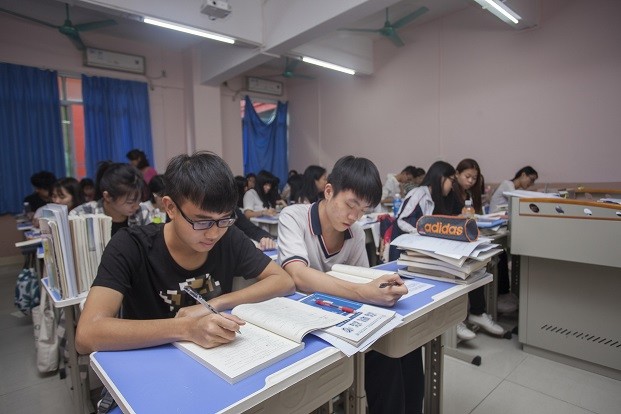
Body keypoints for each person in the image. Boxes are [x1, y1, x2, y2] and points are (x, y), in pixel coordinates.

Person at [75, 151, 295, 356]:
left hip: (216, 359)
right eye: (202, 221)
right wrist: (186, 329)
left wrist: (216, 304)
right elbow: (86, 334)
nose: (214, 233)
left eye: (224, 219)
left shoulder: (228, 237)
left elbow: (283, 281)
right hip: (151, 360)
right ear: (170, 207)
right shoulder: (131, 245)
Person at [278, 155, 415, 414]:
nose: (354, 216)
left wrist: (380, 287)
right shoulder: (293, 217)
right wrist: (363, 291)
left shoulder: (355, 232)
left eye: (363, 210)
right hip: (300, 325)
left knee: (399, 349)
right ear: (329, 191)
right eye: (350, 205)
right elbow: (298, 275)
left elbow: (362, 278)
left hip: (340, 318)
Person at [449, 159, 504, 340]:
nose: (471, 180)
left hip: (466, 240)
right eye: (467, 176)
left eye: (474, 178)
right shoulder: (451, 192)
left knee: (480, 265)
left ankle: (477, 313)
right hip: (451, 243)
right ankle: (458, 319)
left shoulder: (469, 194)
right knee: (467, 268)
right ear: (457, 174)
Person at [70, 162, 151, 236]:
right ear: (107, 196)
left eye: (139, 200)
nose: (136, 206)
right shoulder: (81, 215)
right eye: (130, 202)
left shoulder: (142, 212)